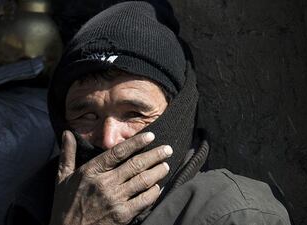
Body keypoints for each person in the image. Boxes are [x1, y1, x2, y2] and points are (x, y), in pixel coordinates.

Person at [46, 1, 292, 225]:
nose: (108, 139)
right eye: (87, 116)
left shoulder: (236, 215)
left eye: (134, 113)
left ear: (178, 116)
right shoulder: (38, 202)